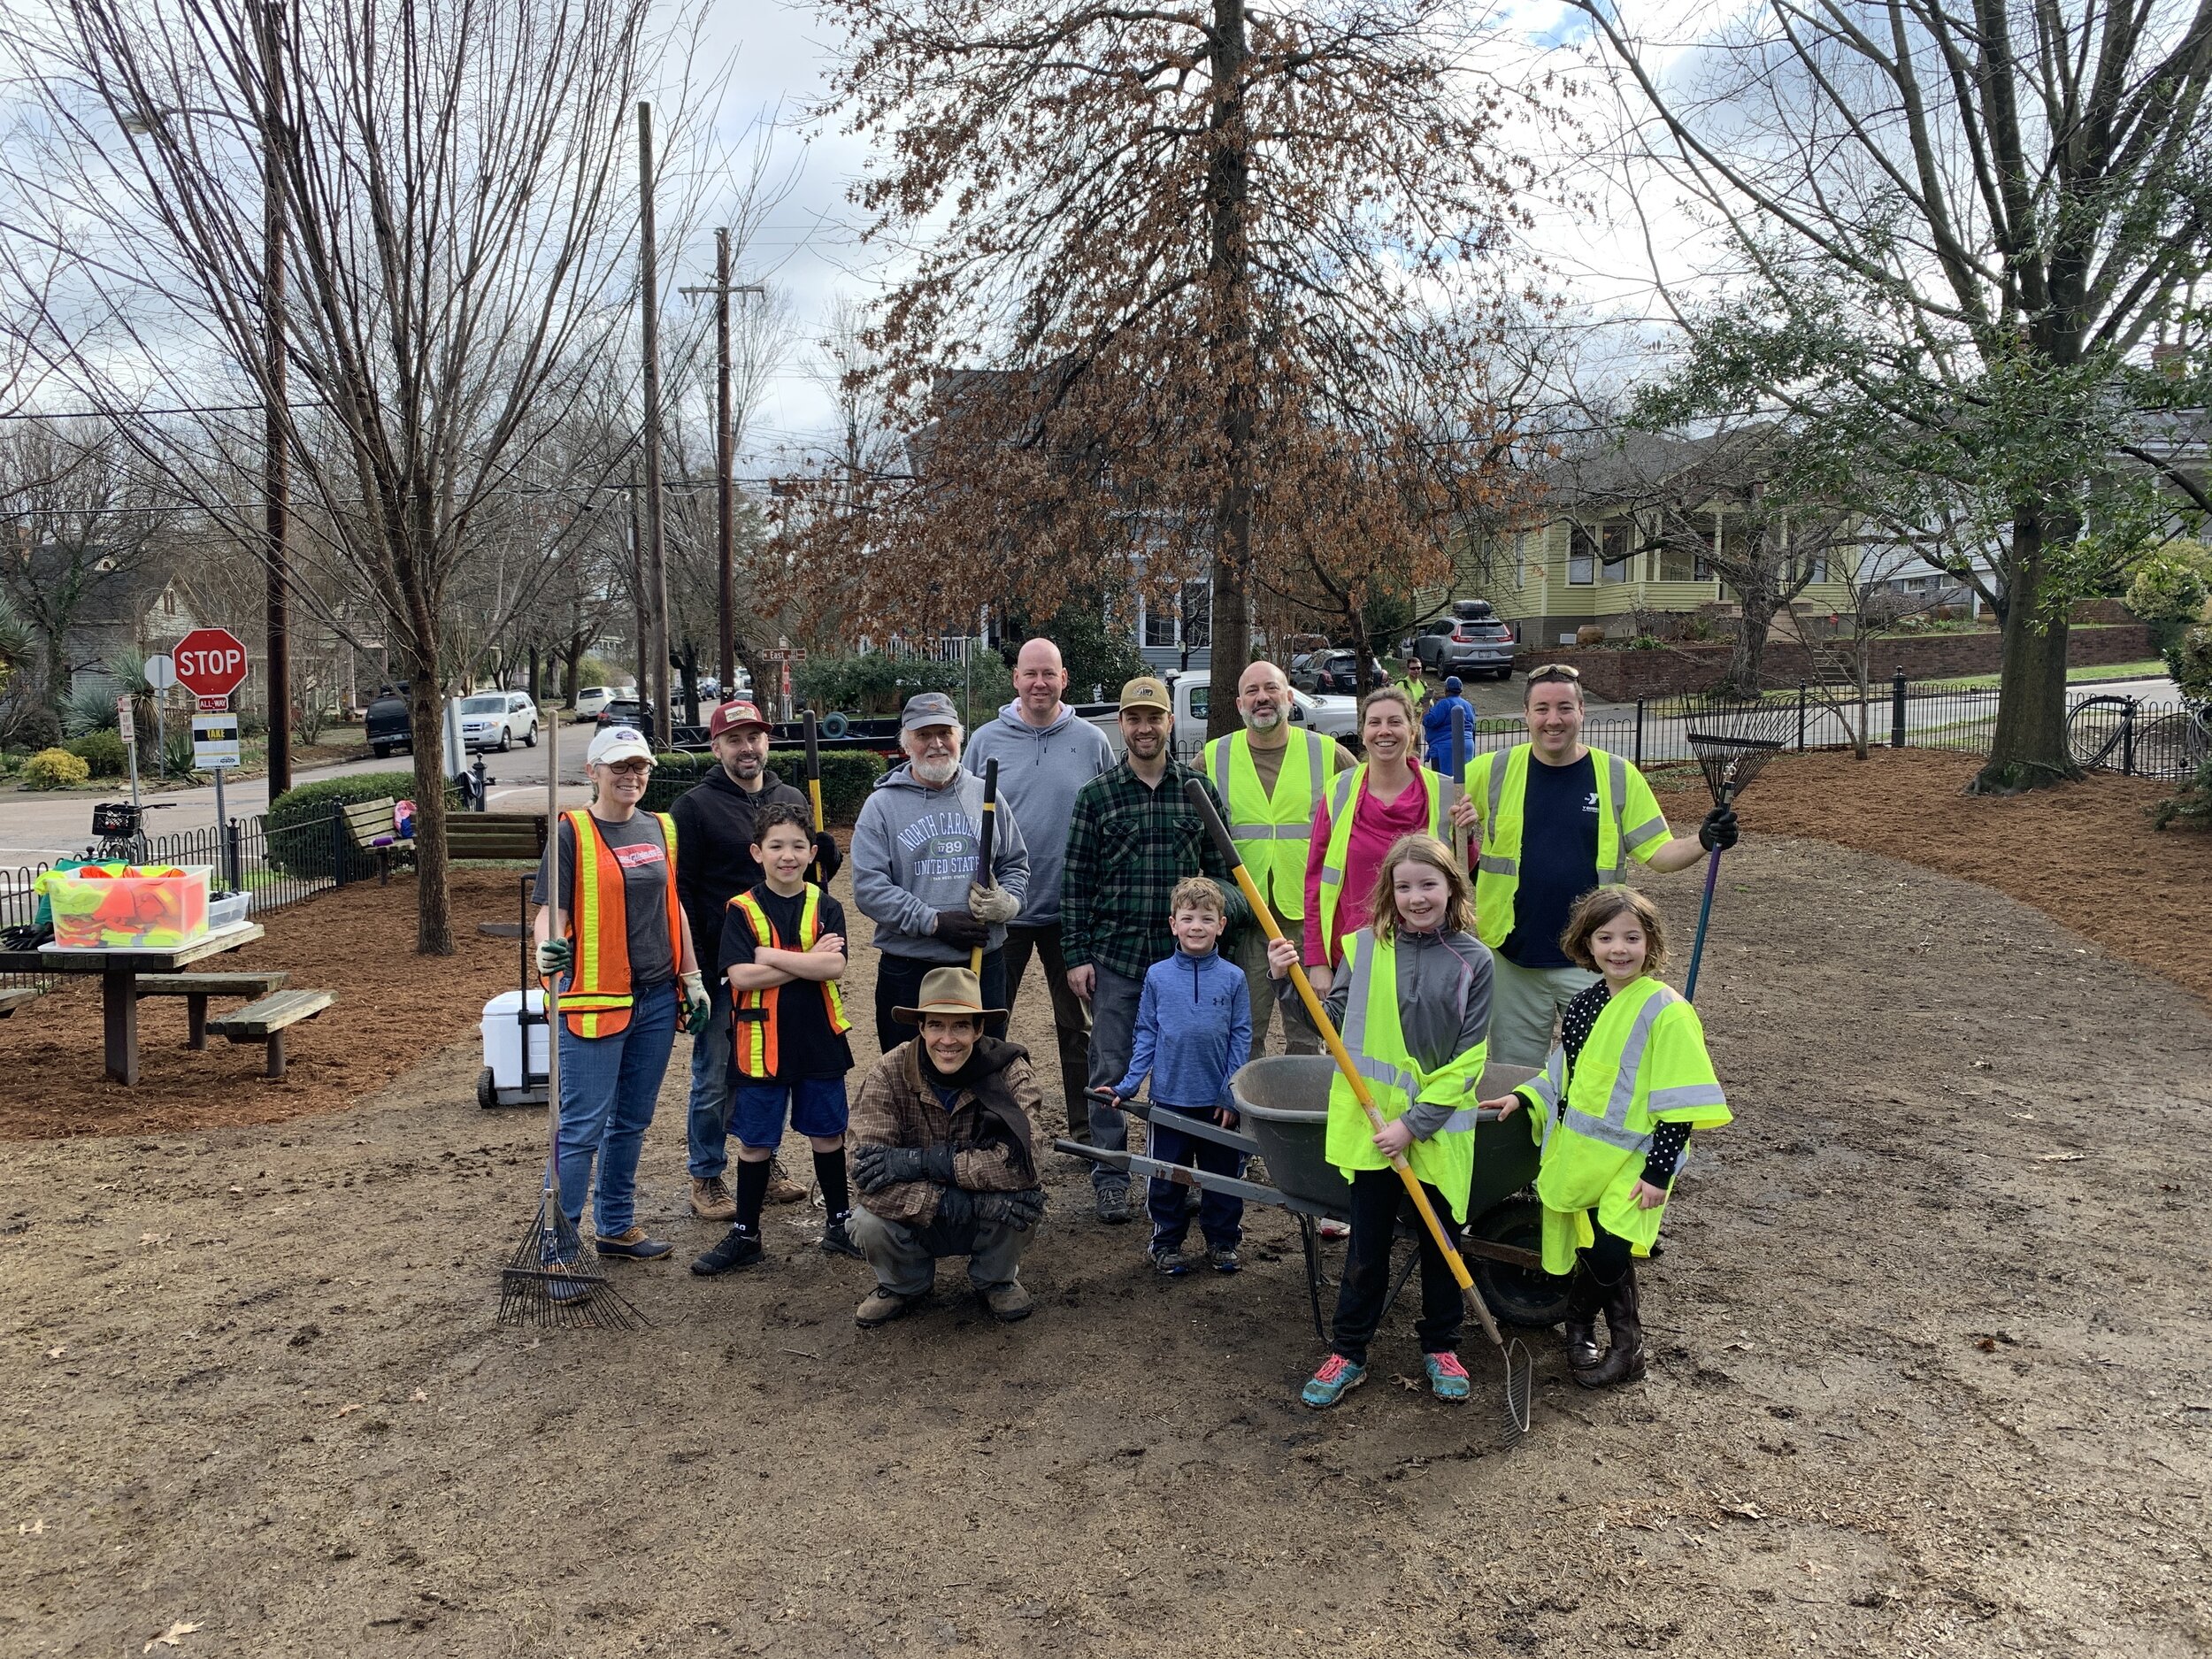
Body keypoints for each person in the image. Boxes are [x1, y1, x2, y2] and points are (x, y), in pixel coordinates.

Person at [1268, 833, 1494, 1409]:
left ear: (1451, 887)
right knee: (1367, 1246)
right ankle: (1349, 1350)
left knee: (1443, 1243)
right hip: (1373, 1133)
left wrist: (1415, 1124)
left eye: (1429, 884)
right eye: (1404, 886)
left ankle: (1441, 1343)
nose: (1417, 896)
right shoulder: (1365, 947)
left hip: (1437, 1130)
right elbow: (1330, 1024)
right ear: (1389, 892)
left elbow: (1470, 1061)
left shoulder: (1474, 960)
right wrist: (1286, 981)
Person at [1487, 886, 1731, 1387]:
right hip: (1585, 1155)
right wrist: (1524, 1096)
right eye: (1606, 937)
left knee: (1611, 1250)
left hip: (1637, 1158)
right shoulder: (1582, 1004)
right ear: (1587, 944)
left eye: (1631, 938)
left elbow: (1680, 1100)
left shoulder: (1668, 1010)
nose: (1619, 949)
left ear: (1650, 943)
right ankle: (1609, 1345)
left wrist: (1660, 1172)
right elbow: (1564, 1074)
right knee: (1596, 1247)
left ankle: (1594, 1332)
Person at [1465, 664, 1736, 1068]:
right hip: (1512, 957)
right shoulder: (1492, 770)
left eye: (1563, 708)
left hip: (1595, 958)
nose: (1552, 720)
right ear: (1525, 714)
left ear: (1582, 711)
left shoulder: (1617, 776)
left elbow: (1659, 854)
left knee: (1599, 1070)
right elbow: (1435, 821)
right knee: (1514, 1076)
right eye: (1541, 709)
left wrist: (1702, 840)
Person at [1061, 675, 1248, 1225]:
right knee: (1113, 1065)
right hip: (1117, 959)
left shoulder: (1197, 792)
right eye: (1134, 719)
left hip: (1189, 969)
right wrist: (1076, 955)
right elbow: (1075, 884)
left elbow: (1227, 879)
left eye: (1155, 717)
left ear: (1169, 722)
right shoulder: (1096, 797)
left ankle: (1182, 1168)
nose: (1145, 728)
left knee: (1188, 1065)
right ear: (1122, 725)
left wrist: (1213, 932)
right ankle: (1112, 1174)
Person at [532, 725, 713, 1264]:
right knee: (581, 1128)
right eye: (619, 767)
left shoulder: (662, 829)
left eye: (639, 767)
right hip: (594, 1000)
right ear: (594, 773)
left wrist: (692, 976)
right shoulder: (572, 833)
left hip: (656, 997)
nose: (631, 776)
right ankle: (556, 1247)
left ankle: (615, 1226)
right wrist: (546, 954)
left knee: (631, 1121)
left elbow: (673, 905)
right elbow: (550, 914)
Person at [672, 699, 842, 1222]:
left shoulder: (789, 797)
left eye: (756, 738)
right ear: (716, 745)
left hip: (792, 963)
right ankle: (707, 1173)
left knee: (775, 1067)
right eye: (736, 739)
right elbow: (681, 891)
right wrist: (694, 970)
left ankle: (763, 1167)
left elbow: (808, 878)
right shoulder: (695, 808)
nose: (748, 748)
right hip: (724, 967)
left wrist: (823, 855)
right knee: (719, 1074)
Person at [690, 803, 860, 1275]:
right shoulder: (741, 910)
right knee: (755, 1141)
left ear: (811, 854)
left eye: (798, 847)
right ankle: (747, 1234)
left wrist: (771, 955)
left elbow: (834, 967)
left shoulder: (826, 905)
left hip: (819, 1040)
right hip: (760, 1044)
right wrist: (804, 959)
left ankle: (840, 1223)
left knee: (828, 1133)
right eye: (777, 846)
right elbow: (741, 977)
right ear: (757, 852)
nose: (788, 856)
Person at [963, 638, 1115, 1144]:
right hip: (1002, 913)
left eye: (1048, 674)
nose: (1039, 684)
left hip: (1071, 912)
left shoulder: (1092, 741)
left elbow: (1109, 819)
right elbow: (963, 817)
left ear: (1064, 678)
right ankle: (990, 1124)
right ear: (1016, 679)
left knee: (1078, 1029)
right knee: (987, 1023)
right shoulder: (986, 741)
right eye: (1030, 674)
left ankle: (1087, 1130)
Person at [846, 965, 1048, 1326]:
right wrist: (960, 1200)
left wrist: (923, 1162)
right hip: (926, 1215)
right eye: (937, 1025)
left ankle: (996, 1279)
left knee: (1022, 1202)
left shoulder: (1011, 1071)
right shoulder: (888, 1072)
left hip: (988, 1216)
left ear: (979, 1028)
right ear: (921, 1027)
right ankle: (903, 1284)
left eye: (960, 1026)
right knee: (868, 1221)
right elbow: (865, 1174)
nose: (947, 1039)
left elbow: (1026, 1161)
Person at [850, 691, 1031, 1052]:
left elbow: (1015, 865)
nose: (936, 744)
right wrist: (933, 922)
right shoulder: (882, 806)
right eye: (923, 735)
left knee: (982, 1066)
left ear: (959, 738)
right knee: (907, 1071)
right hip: (910, 967)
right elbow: (870, 888)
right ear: (906, 743)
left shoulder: (987, 795)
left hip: (982, 962)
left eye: (945, 733)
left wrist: (1006, 904)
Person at [1202, 660, 1356, 1059]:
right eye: (1251, 691)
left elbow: (1371, 801)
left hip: (1308, 914)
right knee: (1244, 1027)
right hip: (1244, 916)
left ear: (1289, 697)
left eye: (1271, 688)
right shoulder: (1213, 757)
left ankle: (1300, 1113)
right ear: (1239, 703)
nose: (1262, 698)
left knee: (1307, 1028)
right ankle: (1246, 1112)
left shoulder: (1327, 753)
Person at [1103, 876, 1252, 1276]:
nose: (1197, 927)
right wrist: (1129, 1084)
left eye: (1207, 918)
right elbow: (1146, 1033)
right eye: (1188, 918)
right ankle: (1166, 1242)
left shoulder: (1234, 978)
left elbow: (1242, 1038)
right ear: (1174, 924)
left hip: (1219, 1106)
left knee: (1223, 1178)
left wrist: (1230, 1095)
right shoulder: (1157, 976)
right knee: (1166, 1178)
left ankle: (1222, 1242)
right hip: (1169, 1100)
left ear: (1221, 924)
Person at [1300, 687, 1479, 992]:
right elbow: (1316, 879)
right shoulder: (1340, 791)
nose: (1385, 731)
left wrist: (1468, 833)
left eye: (1395, 722)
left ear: (1411, 730)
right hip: (1354, 953)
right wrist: (1317, 960)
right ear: (1363, 731)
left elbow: (1461, 869)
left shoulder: (1446, 792)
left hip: (1428, 950)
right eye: (1375, 722)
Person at [1421, 675, 1479, 772]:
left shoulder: (1444, 704)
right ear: (1461, 690)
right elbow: (1473, 727)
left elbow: (1429, 721)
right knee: (1464, 779)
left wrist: (1426, 707)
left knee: (1443, 782)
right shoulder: (1468, 705)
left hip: (1444, 749)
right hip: (1467, 746)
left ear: (1446, 690)